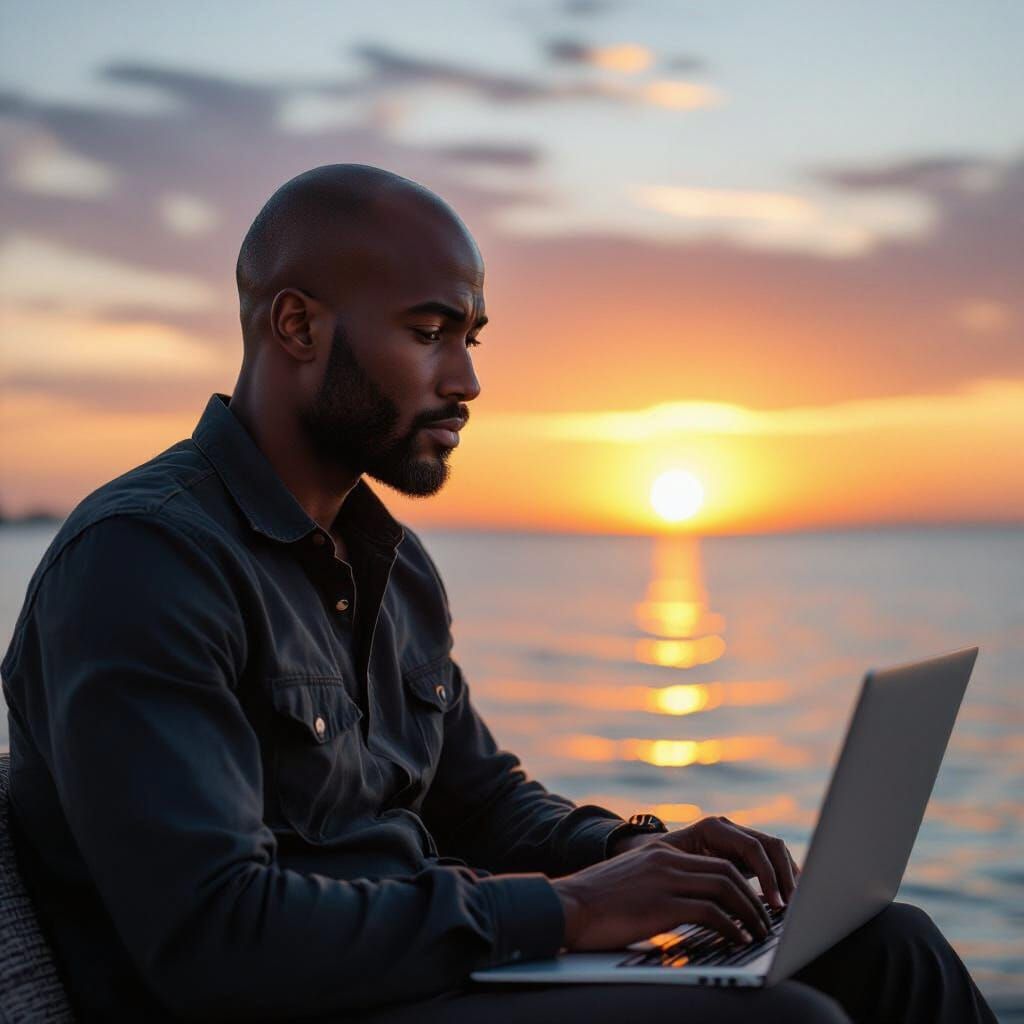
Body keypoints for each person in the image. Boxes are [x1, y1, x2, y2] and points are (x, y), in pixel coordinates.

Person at [1, 164, 995, 1024]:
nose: (468, 378)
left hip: (420, 977)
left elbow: (477, 799)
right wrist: (570, 911)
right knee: (786, 1018)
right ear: (295, 324)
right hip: (286, 1005)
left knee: (885, 945)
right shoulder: (145, 560)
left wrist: (640, 855)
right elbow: (215, 938)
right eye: (431, 333)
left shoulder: (387, 566)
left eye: (472, 335)